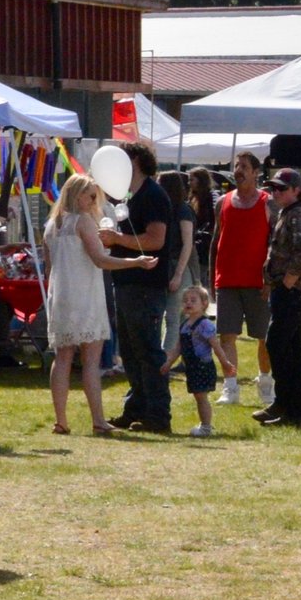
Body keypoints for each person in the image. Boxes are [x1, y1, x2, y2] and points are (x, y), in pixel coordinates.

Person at [42, 174, 151, 435]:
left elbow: (49, 268)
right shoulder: (82, 222)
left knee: (63, 357)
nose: (94, 201)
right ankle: (98, 420)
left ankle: (61, 420)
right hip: (84, 294)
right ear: (77, 195)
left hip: (61, 296)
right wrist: (136, 261)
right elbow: (100, 260)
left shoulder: (51, 225)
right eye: (91, 195)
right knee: (91, 360)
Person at [101, 142, 178, 434]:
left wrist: (116, 239)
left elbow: (156, 240)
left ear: (135, 162)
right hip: (128, 281)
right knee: (132, 352)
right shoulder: (131, 196)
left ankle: (159, 416)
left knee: (147, 351)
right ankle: (136, 409)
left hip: (145, 285)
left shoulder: (153, 195)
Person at [256, 168, 301, 427]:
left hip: (294, 288)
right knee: (292, 347)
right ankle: (295, 411)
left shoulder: (299, 215)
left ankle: (285, 403)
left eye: (282, 188)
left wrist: (290, 278)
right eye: (274, 188)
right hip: (285, 287)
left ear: (296, 190)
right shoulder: (288, 213)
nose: (276, 192)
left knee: (278, 343)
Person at [210, 152, 272, 408]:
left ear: (256, 172)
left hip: (258, 281)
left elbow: (274, 244)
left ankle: (266, 382)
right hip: (227, 279)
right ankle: (231, 387)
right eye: (236, 166)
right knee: (227, 336)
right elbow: (216, 240)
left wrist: (270, 278)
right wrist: (211, 276)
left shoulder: (268, 203)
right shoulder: (222, 201)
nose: (238, 170)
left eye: (244, 166)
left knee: (264, 336)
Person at [162, 285, 220, 439]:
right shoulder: (184, 326)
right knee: (198, 396)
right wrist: (168, 363)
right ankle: (205, 424)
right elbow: (178, 348)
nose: (188, 303)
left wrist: (225, 363)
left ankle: (206, 427)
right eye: (185, 300)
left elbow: (216, 345)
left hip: (202, 366)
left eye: (193, 300)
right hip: (192, 368)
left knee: (201, 397)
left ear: (204, 303)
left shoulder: (205, 325)